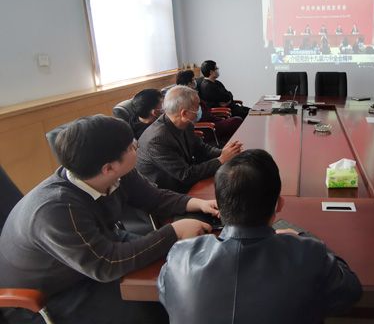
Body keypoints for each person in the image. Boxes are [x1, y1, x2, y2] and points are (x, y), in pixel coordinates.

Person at [0, 115, 219, 324]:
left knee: (177, 270)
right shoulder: (55, 209)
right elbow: (106, 265)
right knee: (153, 304)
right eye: (131, 146)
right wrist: (173, 232)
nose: (137, 146)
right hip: (55, 293)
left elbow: (153, 198)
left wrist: (196, 203)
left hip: (98, 251)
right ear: (109, 168)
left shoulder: (115, 171)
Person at [158, 149, 362, 324]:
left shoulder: (179, 257)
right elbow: (351, 292)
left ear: (218, 206)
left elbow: (169, 297)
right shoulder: (309, 255)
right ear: (279, 204)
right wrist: (305, 238)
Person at [136, 85, 242, 193]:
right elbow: (185, 175)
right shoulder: (157, 140)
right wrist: (221, 160)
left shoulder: (186, 123)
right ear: (184, 113)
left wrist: (225, 152)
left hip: (184, 178)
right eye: (197, 107)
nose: (199, 110)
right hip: (165, 191)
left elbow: (202, 149)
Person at [176, 69, 242, 144]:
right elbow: (195, 118)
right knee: (237, 121)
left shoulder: (194, 93)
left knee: (236, 121)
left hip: (212, 120)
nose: (195, 81)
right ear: (189, 83)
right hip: (207, 128)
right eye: (193, 79)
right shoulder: (184, 100)